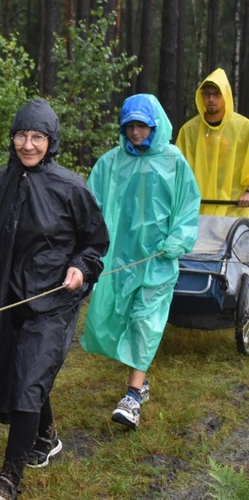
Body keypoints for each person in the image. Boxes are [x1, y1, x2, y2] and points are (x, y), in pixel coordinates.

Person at [0, 98, 109, 500]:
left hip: (53, 298)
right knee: (21, 370)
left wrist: (81, 267)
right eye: (21, 135)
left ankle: (9, 478)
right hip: (3, 296)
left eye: (37, 137)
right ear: (11, 137)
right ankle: (46, 436)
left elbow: (95, 243)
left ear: (52, 141)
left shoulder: (71, 187)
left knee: (29, 376)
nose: (28, 145)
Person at [81, 94, 200, 430]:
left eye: (142, 125)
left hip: (157, 261)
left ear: (155, 125)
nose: (136, 132)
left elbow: (188, 207)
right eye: (130, 126)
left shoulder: (174, 162)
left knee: (144, 322)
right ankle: (141, 379)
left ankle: (132, 396)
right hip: (119, 260)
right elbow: (91, 208)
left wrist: (176, 240)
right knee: (119, 318)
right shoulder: (109, 163)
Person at [175, 68, 249, 217]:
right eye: (207, 94)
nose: (211, 99)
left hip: (234, 210)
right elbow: (177, 168)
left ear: (226, 95)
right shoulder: (189, 130)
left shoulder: (243, 127)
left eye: (216, 94)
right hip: (197, 210)